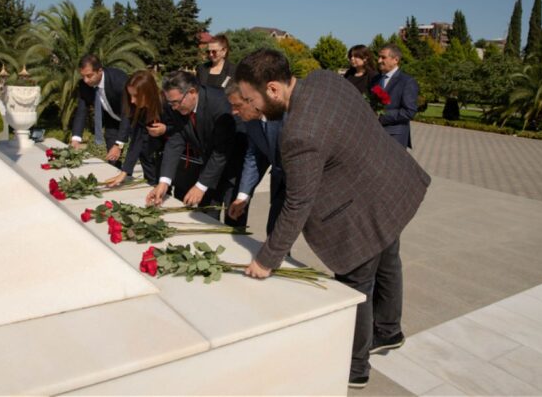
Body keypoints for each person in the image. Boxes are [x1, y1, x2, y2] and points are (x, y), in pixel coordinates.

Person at [235, 49, 431, 389]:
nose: (251, 108)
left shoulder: (298, 132)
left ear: (273, 89)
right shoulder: (325, 79)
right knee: (388, 260)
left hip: (362, 206)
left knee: (356, 283)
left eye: (251, 100)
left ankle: (355, 367)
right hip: (390, 184)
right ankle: (389, 331)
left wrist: (266, 259)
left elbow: (298, 202)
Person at [146, 71, 245, 227]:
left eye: (176, 102)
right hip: (209, 166)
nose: (174, 108)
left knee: (233, 220)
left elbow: (221, 151)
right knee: (207, 218)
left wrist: (200, 185)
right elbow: (176, 140)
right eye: (170, 103)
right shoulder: (177, 106)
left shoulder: (219, 104)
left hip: (233, 165)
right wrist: (164, 182)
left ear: (192, 92)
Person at [225, 82, 285, 236]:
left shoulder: (284, 116)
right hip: (281, 184)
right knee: (275, 233)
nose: (234, 112)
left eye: (237, 106)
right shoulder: (251, 123)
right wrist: (242, 197)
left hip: (311, 184)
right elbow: (253, 157)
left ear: (252, 100)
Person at [104, 70, 165, 187]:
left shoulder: (166, 105)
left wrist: (165, 129)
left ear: (148, 92)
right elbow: (137, 140)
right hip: (148, 162)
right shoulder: (139, 110)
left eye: (136, 96)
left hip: (166, 163)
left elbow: (179, 133)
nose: (132, 100)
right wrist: (124, 172)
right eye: (130, 95)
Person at [70, 55, 130, 165]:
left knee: (144, 156)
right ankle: (116, 173)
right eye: (83, 76)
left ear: (100, 71)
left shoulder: (119, 80)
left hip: (134, 119)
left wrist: (119, 144)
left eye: (89, 76)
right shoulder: (84, 85)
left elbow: (127, 112)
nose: (86, 80)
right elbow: (81, 111)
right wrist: (76, 139)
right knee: (113, 158)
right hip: (113, 121)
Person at [371, 44, 419, 149]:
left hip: (395, 135)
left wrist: (381, 116)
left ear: (395, 60)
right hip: (374, 133)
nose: (379, 61)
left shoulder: (407, 81)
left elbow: (409, 111)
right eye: (379, 57)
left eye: (383, 57)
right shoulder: (375, 79)